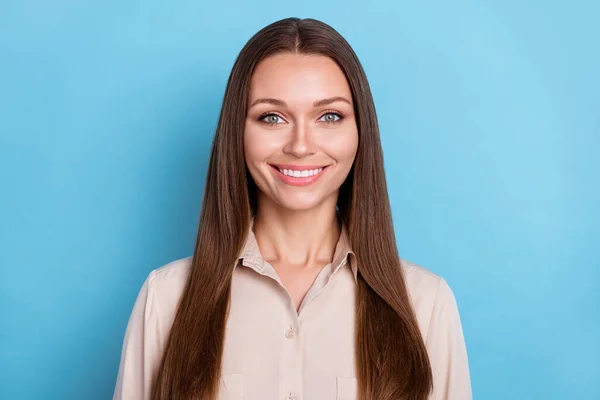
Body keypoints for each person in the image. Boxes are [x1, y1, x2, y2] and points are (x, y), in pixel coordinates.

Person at [113, 17, 471, 400]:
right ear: (238, 132)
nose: (301, 145)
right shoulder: (166, 299)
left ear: (360, 131)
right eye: (272, 117)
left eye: (329, 116)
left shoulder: (426, 304)